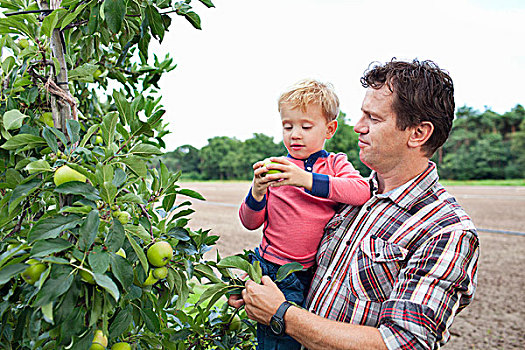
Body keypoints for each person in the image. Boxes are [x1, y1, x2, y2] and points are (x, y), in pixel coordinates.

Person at [230, 59, 480, 350]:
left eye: (373, 118)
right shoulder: (349, 196)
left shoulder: (446, 230)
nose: (357, 126)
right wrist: (261, 288)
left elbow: (405, 343)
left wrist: (282, 314)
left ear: (418, 133)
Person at [239, 79, 371, 349]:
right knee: (276, 342)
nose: (294, 134)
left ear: (330, 129)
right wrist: (257, 191)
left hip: (308, 273)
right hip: (271, 267)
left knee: (303, 335)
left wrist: (305, 179)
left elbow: (360, 191)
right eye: (288, 126)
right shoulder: (275, 166)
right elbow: (250, 222)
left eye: (305, 126)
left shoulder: (334, 163)